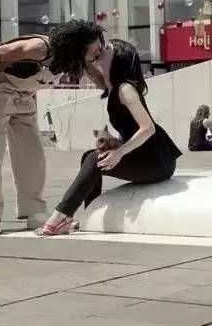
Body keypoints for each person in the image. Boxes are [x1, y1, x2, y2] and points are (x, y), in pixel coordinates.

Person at [0, 19, 106, 234]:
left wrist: (113, 87)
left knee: (32, 155)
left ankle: (34, 211)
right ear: (79, 44)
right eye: (97, 47)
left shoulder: (74, 59)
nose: (99, 51)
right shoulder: (41, 47)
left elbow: (98, 76)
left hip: (24, 97)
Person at [36, 39, 182, 236]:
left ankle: (61, 216)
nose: (102, 49)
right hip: (144, 156)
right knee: (90, 157)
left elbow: (148, 128)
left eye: (107, 48)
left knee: (94, 159)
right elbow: (87, 66)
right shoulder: (112, 87)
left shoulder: (125, 89)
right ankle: (88, 213)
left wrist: (119, 152)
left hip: (157, 162)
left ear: (118, 58)